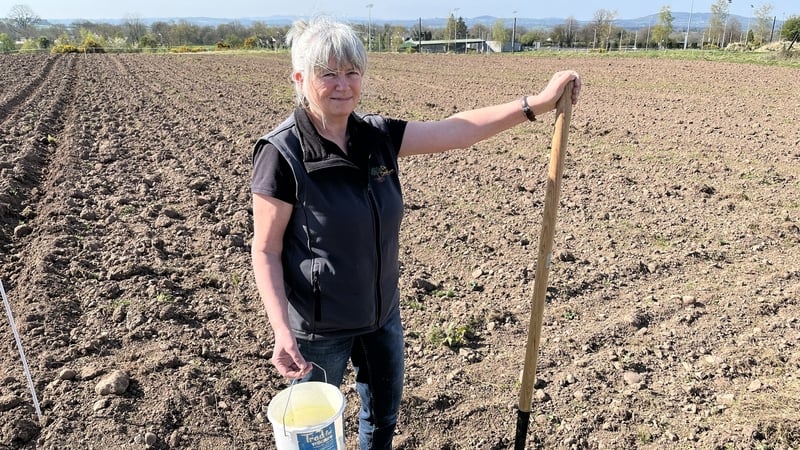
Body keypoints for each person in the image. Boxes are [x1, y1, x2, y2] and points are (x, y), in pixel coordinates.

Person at [250, 16, 581, 450]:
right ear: (300, 77)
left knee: (382, 420)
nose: (343, 84)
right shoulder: (283, 153)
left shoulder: (377, 136)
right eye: (327, 73)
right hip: (318, 329)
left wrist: (534, 104)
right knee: (315, 434)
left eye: (352, 72)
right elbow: (266, 250)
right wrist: (281, 330)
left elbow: (458, 131)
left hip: (381, 315)